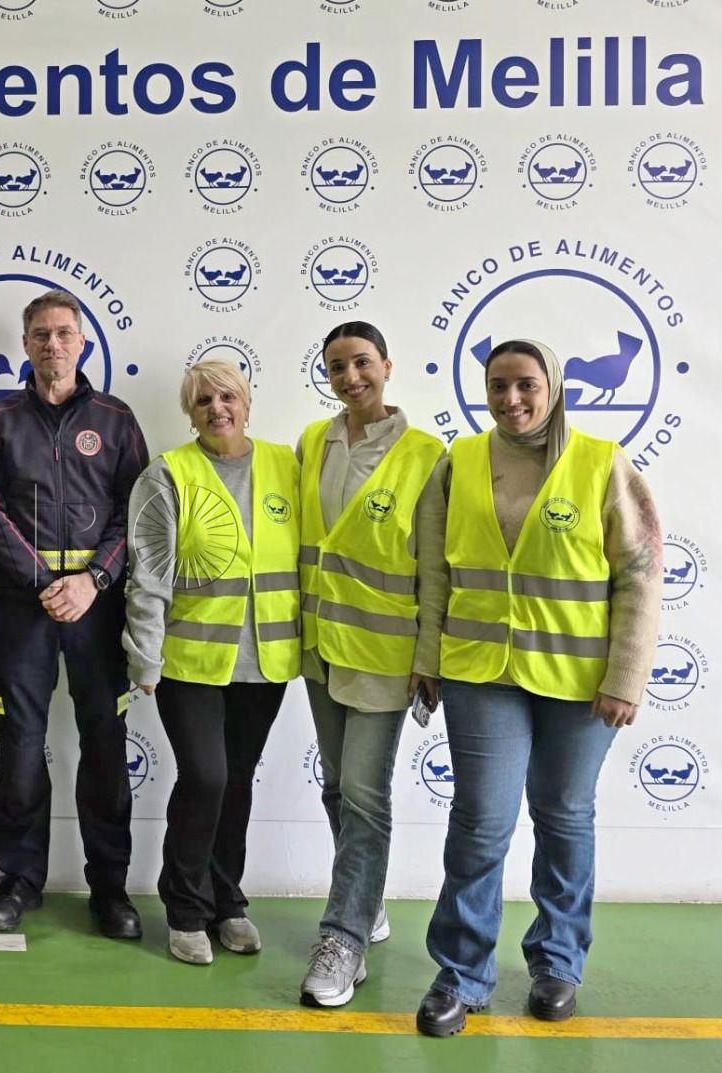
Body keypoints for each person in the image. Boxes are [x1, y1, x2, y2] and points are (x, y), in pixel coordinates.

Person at [416, 339, 661, 1037]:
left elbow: (640, 572)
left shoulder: (600, 461)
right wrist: (429, 658)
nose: (511, 399)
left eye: (526, 385)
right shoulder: (459, 462)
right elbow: (434, 569)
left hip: (581, 682)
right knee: (480, 822)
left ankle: (557, 961)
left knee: (562, 816)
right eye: (498, 386)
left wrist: (626, 676)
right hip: (480, 670)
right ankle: (461, 973)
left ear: (553, 386)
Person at [0, 289, 149, 939]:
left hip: (98, 609)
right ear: (25, 345)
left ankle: (110, 888)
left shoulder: (117, 418)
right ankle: (19, 880)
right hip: (25, 607)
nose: (52, 344)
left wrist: (95, 579)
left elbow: (138, 511)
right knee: (19, 749)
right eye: (40, 334)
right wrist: (48, 581)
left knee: (104, 746)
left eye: (64, 333)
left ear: (83, 342)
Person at [123, 358, 301, 965]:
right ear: (190, 414)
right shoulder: (167, 474)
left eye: (227, 397)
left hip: (267, 660)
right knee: (207, 778)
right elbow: (147, 575)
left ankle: (229, 902)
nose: (217, 408)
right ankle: (186, 909)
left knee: (239, 781)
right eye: (203, 402)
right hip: (190, 662)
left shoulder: (287, 465)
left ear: (247, 402)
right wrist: (145, 657)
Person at [294, 323, 447, 1007]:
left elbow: (436, 567)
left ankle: (345, 935)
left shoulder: (426, 454)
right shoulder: (312, 443)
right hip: (323, 647)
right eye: (336, 366)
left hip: (387, 656)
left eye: (361, 362)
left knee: (363, 792)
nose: (350, 376)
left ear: (387, 364)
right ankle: (368, 897)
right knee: (336, 784)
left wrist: (429, 656)